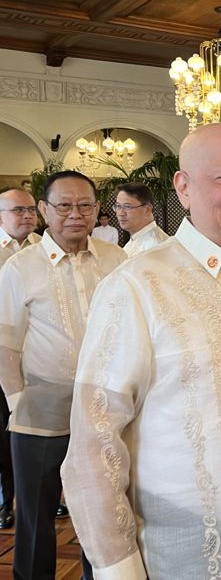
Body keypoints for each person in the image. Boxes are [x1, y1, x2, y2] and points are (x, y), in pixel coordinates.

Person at [61, 124, 221, 579]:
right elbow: (94, 446)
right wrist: (119, 569)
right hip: (179, 557)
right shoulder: (137, 285)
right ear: (184, 187)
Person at [0, 171, 126, 580]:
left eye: (85, 205)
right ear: (44, 210)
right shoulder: (20, 268)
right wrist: (21, 406)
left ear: (96, 209)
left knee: (103, 511)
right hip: (40, 413)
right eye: (64, 206)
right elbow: (6, 346)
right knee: (36, 516)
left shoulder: (116, 260)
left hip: (106, 410)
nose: (75, 215)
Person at [0, 187, 42, 530]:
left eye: (31, 210)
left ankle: (43, 498)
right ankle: (6, 500)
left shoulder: (44, 249)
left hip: (34, 359)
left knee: (31, 433)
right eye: (18, 210)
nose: (27, 216)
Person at [114, 182, 169, 256]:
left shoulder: (157, 246)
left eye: (127, 207)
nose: (120, 213)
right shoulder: (134, 239)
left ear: (147, 209)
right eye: (118, 206)